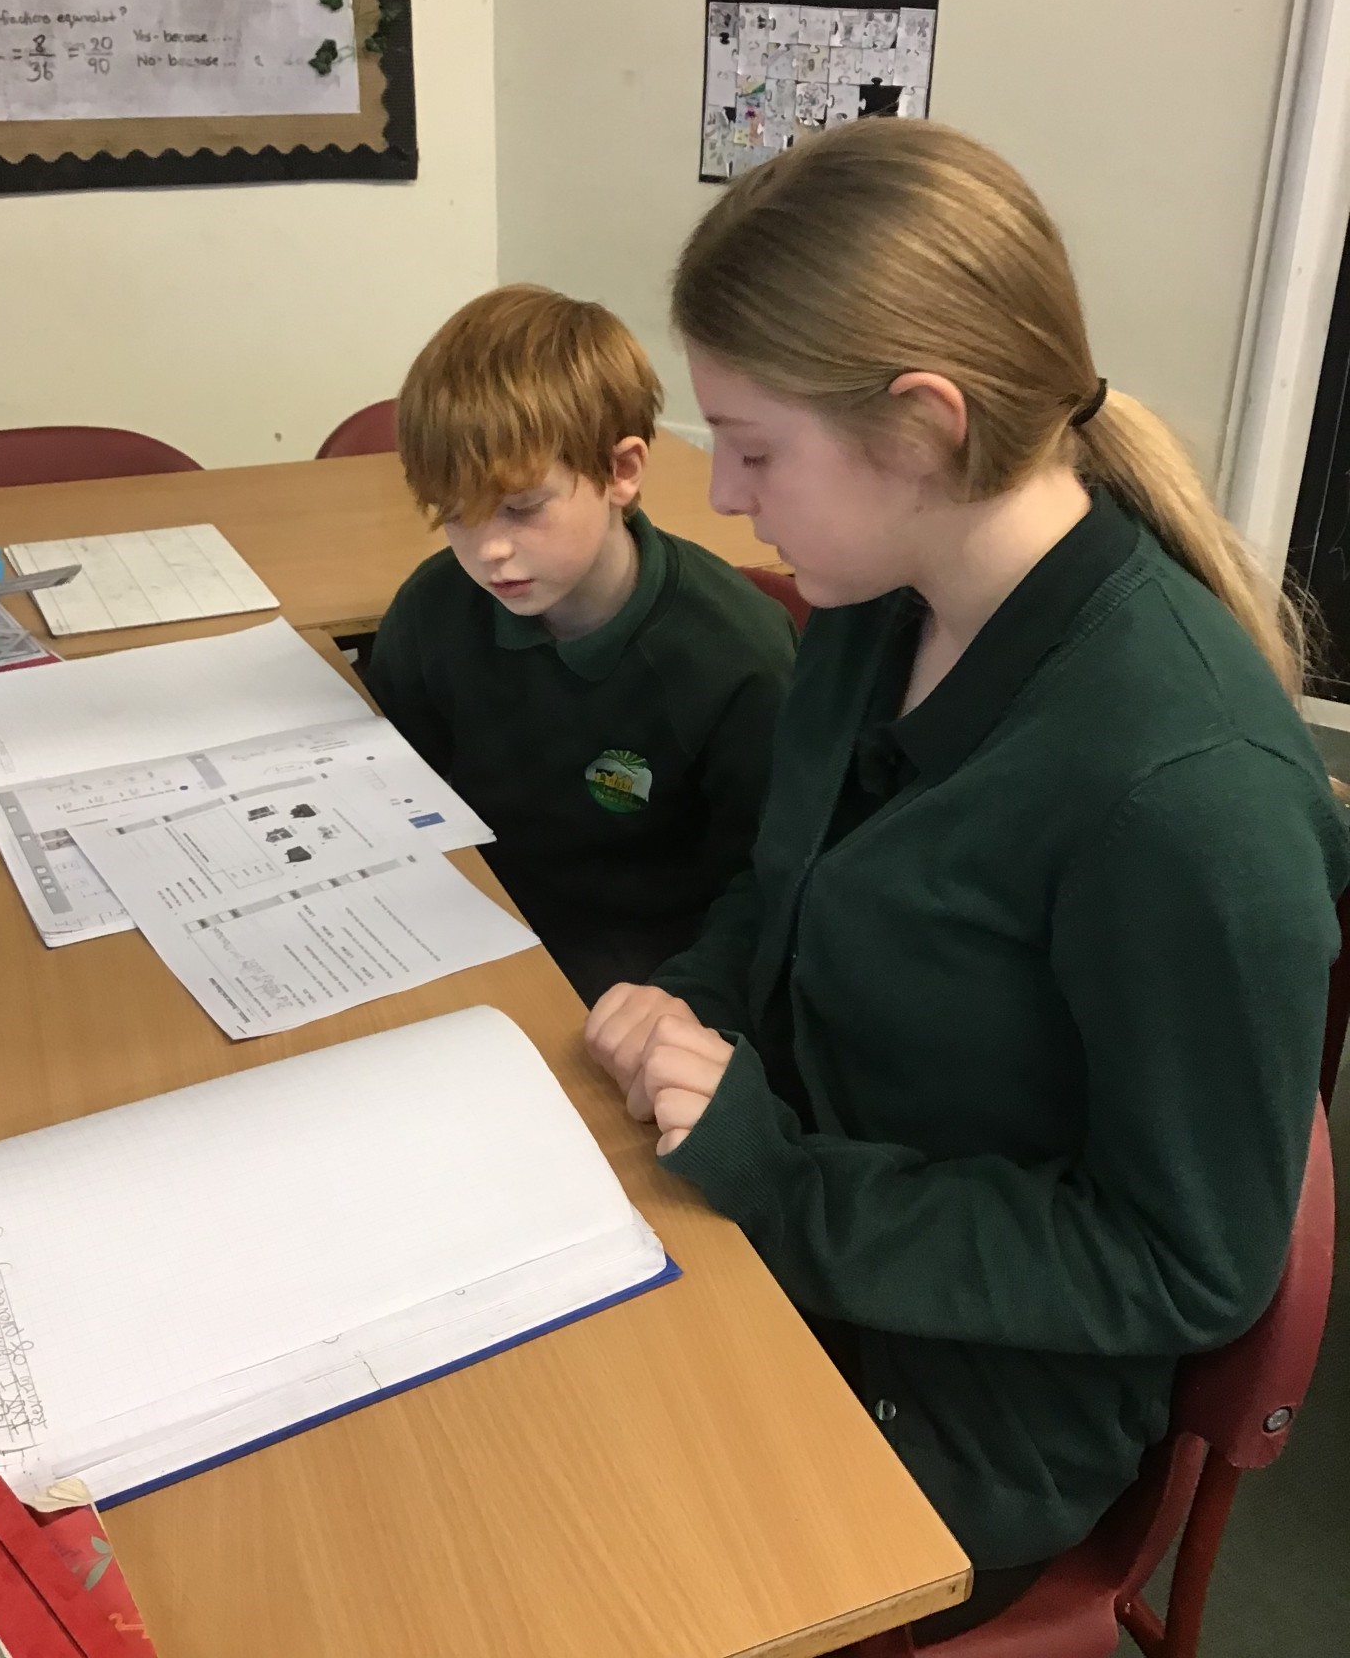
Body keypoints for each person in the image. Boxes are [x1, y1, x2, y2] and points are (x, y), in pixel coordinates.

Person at [584, 121, 1349, 1641]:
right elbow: (792, 889)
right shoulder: (882, 601)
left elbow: (1180, 1267)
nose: (725, 497)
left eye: (753, 448)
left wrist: (776, 1180)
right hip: (796, 1236)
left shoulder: (1181, 796)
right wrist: (690, 1000)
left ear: (926, 427)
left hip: (964, 1410)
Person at [364, 283, 798, 1007]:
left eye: (521, 508)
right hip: (474, 925)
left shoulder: (737, 658)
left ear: (621, 472)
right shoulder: (434, 609)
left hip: (648, 972)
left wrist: (681, 1002)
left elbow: (769, 884)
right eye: (456, 515)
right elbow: (389, 791)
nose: (489, 551)